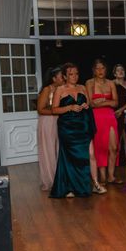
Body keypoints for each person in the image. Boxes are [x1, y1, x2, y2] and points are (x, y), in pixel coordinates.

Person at [50, 63, 106, 198]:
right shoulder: (60, 90)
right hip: (67, 127)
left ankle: (96, 184)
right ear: (64, 76)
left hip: (83, 125)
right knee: (69, 157)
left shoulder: (82, 87)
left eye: (76, 74)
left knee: (91, 154)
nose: (74, 76)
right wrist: (70, 107)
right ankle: (69, 187)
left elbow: (89, 104)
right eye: (71, 74)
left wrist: (86, 105)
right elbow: (54, 110)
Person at [86, 59, 120, 184]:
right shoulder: (89, 83)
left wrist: (102, 102)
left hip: (110, 117)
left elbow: (116, 103)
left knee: (113, 147)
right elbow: (90, 103)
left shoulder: (111, 83)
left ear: (106, 70)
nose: (100, 71)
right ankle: (102, 177)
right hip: (96, 117)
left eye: (102, 68)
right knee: (100, 147)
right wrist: (106, 102)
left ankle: (111, 176)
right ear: (94, 70)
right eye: (97, 68)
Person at [37, 66, 64, 190]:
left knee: (59, 149)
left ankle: (61, 178)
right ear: (54, 78)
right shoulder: (47, 89)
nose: (64, 78)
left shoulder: (64, 89)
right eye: (61, 76)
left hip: (61, 121)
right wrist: (56, 112)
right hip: (48, 121)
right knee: (49, 150)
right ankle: (50, 180)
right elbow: (40, 109)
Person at [113, 64, 126, 166]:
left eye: (122, 70)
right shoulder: (111, 84)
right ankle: (115, 161)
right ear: (114, 73)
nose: (121, 72)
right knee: (116, 138)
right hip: (114, 113)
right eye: (118, 70)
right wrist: (116, 111)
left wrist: (122, 110)